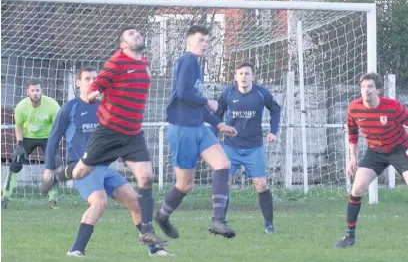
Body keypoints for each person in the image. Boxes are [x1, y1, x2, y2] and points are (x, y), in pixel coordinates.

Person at [52, 27, 167, 246]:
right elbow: (100, 82)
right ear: (123, 45)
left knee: (146, 178)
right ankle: (61, 174)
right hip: (110, 132)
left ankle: (147, 232)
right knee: (80, 172)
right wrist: (94, 91)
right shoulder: (116, 62)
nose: (137, 34)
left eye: (138, 32)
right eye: (131, 34)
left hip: (132, 134)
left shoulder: (144, 64)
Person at [41, 66, 172, 257]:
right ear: (77, 83)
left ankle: (154, 249)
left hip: (104, 168)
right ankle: (76, 250)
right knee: (99, 202)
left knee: (135, 202)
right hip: (81, 168)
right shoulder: (70, 108)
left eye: (95, 79)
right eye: (86, 79)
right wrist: (47, 168)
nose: (91, 82)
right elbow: (53, 139)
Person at [155, 25, 238, 240]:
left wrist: (218, 124)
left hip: (199, 128)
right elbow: (183, 94)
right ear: (188, 41)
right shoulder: (187, 60)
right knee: (185, 184)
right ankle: (162, 216)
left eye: (206, 41)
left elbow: (196, 104)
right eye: (200, 40)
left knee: (223, 164)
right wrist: (207, 101)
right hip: (182, 128)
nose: (204, 44)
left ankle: (218, 220)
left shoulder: (196, 65)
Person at [334, 72, 408, 248]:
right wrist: (352, 158)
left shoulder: (392, 106)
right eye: (363, 87)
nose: (366, 90)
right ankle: (349, 236)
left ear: (378, 90)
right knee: (357, 188)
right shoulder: (354, 108)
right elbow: (352, 134)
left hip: (399, 149)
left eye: (370, 87)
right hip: (375, 152)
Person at [213, 61, 281, 234]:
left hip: (254, 147)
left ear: (253, 76)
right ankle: (220, 222)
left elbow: (275, 109)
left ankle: (269, 225)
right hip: (230, 147)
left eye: (247, 73)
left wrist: (273, 131)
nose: (244, 76)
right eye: (240, 73)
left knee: (261, 185)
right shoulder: (228, 93)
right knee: (224, 183)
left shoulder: (261, 93)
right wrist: (213, 137)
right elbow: (217, 114)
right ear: (235, 77)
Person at [1, 79, 61, 209]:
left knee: (54, 164)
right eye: (32, 90)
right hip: (28, 137)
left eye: (38, 90)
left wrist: (55, 143)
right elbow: (19, 126)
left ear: (41, 91)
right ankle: (5, 197)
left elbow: (58, 126)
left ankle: (53, 200)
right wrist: (19, 144)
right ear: (27, 92)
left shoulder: (52, 105)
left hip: (48, 137)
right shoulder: (21, 106)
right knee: (15, 162)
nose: (35, 93)